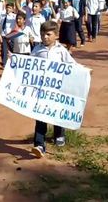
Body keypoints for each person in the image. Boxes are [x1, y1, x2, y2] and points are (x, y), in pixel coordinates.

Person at [31, 21, 77, 158]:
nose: (45, 37)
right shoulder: (36, 50)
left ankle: (59, 134)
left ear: (56, 35)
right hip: (41, 89)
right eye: (42, 34)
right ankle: (39, 144)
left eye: (48, 34)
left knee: (56, 112)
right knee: (40, 116)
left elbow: (72, 65)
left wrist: (84, 71)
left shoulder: (61, 51)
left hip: (57, 89)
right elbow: (28, 64)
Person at [0, 2, 16, 67]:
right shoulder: (2, 16)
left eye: (10, 8)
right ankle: (4, 63)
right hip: (3, 35)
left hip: (11, 35)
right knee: (4, 49)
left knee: (12, 49)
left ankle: (13, 62)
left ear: (12, 9)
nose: (8, 9)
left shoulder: (14, 17)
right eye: (7, 8)